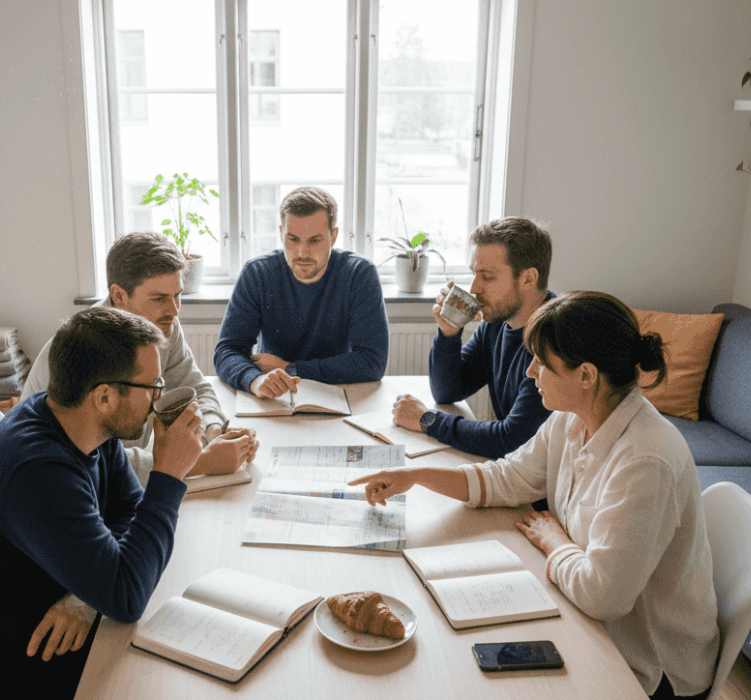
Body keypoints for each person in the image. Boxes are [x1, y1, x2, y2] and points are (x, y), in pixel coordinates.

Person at [351, 291, 719, 700]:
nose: (529, 372)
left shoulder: (647, 461)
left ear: (586, 375)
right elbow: (509, 477)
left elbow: (603, 596)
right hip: (594, 621)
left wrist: (554, 540)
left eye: (542, 363)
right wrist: (416, 475)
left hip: (649, 666)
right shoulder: (571, 419)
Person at [0, 307, 203, 699]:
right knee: (166, 675)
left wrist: (85, 596)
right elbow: (127, 598)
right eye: (152, 386)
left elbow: (126, 510)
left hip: (27, 631)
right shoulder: (37, 472)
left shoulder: (81, 421)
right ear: (105, 396)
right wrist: (168, 475)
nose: (158, 398)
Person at [22, 231, 258, 485]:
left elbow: (194, 387)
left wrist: (214, 430)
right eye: (158, 298)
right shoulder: (84, 351)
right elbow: (89, 462)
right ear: (120, 296)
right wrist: (203, 463)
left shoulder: (162, 324)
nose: (174, 310)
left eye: (177, 295)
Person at [391, 216, 555, 459]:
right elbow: (448, 391)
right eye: (474, 274)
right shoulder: (497, 323)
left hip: (542, 489)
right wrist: (449, 332)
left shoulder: (555, 337)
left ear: (528, 278)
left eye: (487, 277)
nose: (474, 288)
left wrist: (427, 420)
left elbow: (510, 439)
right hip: (513, 471)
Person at [214, 186, 389, 399]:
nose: (302, 253)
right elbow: (228, 350)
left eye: (315, 240)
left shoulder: (358, 274)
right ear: (281, 233)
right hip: (274, 397)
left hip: (337, 395)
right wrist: (255, 380)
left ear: (333, 237)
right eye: (293, 239)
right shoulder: (257, 273)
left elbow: (373, 362)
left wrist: (292, 369)